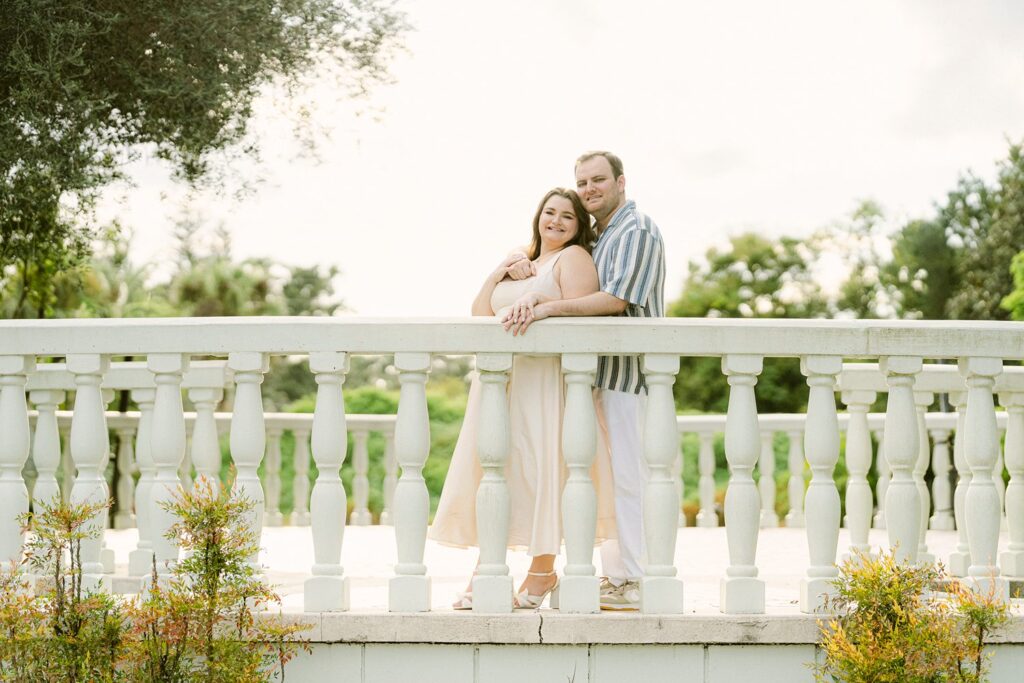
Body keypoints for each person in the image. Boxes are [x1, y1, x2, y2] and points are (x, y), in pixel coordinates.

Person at [429, 187, 617, 610]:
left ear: (578, 225)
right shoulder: (521, 257)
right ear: (538, 216)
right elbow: (481, 313)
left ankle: (542, 570)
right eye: (549, 212)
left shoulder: (573, 258)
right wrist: (499, 273)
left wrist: (540, 297)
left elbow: (582, 314)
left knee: (541, 469)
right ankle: (487, 568)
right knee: (496, 473)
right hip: (501, 382)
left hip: (543, 382)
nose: (556, 221)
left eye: (567, 216)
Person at [502, 151, 666, 611]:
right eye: (583, 181)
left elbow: (616, 300)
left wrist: (546, 307)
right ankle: (618, 577)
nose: (590, 188)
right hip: (601, 376)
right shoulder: (604, 234)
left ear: (621, 182)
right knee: (610, 481)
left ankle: (636, 581)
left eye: (599, 180)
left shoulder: (635, 230)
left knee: (631, 478)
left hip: (631, 374)